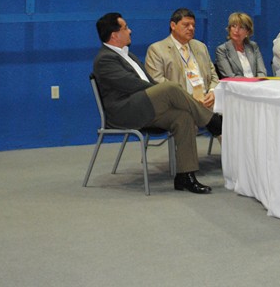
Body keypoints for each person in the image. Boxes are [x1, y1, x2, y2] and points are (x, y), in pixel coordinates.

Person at [93, 13, 222, 194]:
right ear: (114, 35)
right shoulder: (104, 59)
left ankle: (185, 175)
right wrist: (160, 92)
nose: (130, 31)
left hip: (143, 107)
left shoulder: (128, 55)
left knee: (183, 117)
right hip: (125, 112)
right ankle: (212, 121)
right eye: (125, 28)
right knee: (169, 88)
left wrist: (160, 92)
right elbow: (131, 84)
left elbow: (145, 82)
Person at [145, 8, 219, 108]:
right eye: (186, 25)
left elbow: (213, 75)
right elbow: (156, 81)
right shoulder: (157, 50)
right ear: (173, 25)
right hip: (177, 106)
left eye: (193, 25)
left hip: (206, 103)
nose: (191, 28)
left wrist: (212, 91)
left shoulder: (201, 47)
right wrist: (186, 98)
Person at [215, 12, 268, 78]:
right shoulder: (222, 50)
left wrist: (258, 82)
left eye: (241, 27)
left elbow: (262, 72)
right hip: (237, 84)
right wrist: (249, 82)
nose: (236, 30)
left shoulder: (253, 46)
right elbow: (230, 76)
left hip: (256, 83)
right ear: (229, 29)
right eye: (234, 26)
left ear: (247, 31)